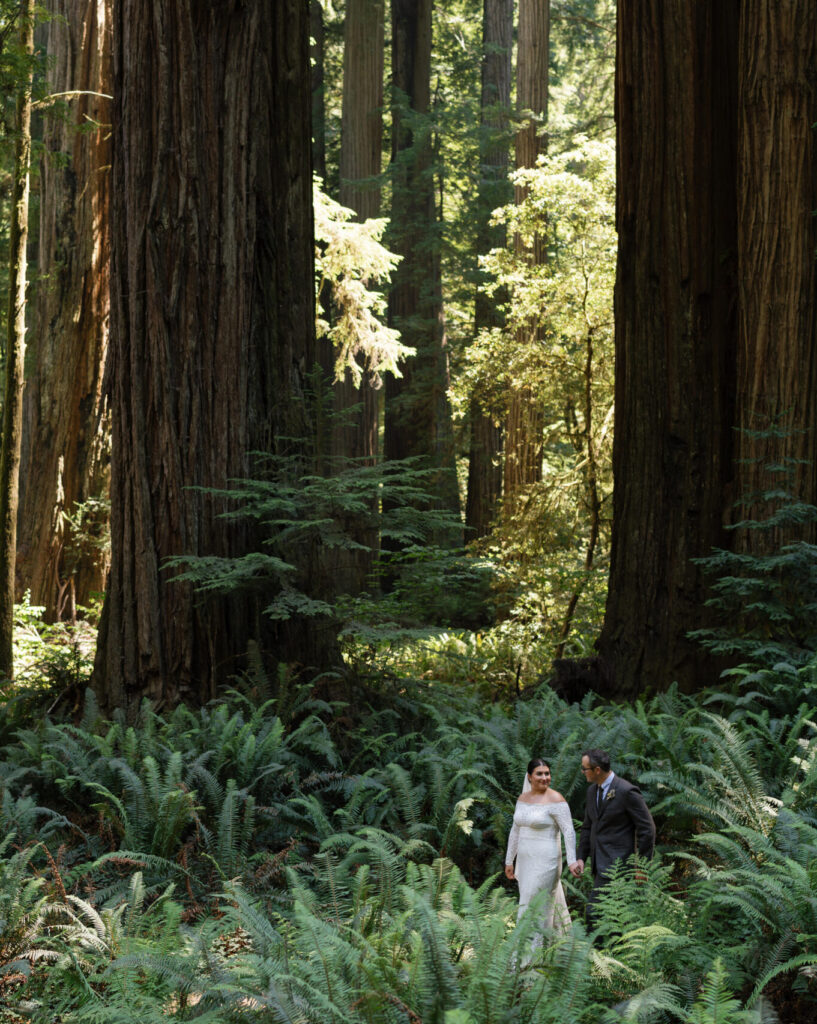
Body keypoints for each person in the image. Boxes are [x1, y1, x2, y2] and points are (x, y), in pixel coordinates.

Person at [573, 748, 656, 927]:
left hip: (618, 865)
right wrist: (581, 857)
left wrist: (642, 866)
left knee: (593, 914)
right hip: (598, 863)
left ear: (597, 770)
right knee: (612, 916)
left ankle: (594, 952)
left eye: (584, 769)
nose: (582, 772)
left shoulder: (626, 791)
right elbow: (588, 827)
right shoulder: (591, 792)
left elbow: (647, 828)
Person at [504, 758, 580, 937]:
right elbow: (515, 831)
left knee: (537, 903)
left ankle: (533, 954)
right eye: (539, 773)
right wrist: (509, 860)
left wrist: (571, 861)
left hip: (547, 861)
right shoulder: (522, 799)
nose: (544, 777)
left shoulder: (556, 799)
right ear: (529, 777)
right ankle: (547, 948)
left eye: (547, 773)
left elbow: (569, 831)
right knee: (527, 901)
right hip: (525, 860)